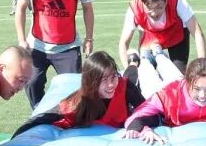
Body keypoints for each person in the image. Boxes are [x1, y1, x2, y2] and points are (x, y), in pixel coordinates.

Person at [14, 0, 94, 108]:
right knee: (32, 83)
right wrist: (21, 40)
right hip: (38, 45)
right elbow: (21, 8)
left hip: (68, 46)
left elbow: (88, 8)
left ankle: (67, 118)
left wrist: (89, 39)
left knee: (74, 90)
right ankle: (40, 113)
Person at [13, 51, 144, 136]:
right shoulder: (79, 102)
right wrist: (17, 136)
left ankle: (133, 62)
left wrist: (136, 125)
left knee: (130, 77)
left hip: (128, 105)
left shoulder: (123, 85)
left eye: (113, 76)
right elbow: (43, 117)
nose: (111, 84)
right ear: (92, 82)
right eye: (104, 80)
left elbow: (147, 108)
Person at [123, 57, 206, 144]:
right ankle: (146, 58)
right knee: (150, 79)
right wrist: (144, 130)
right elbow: (134, 117)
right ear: (187, 84)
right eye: (197, 89)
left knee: (172, 72)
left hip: (180, 82)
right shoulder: (168, 96)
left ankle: (159, 55)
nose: (202, 95)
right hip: (163, 90)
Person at [118, 0, 206, 96]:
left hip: (176, 34)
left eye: (159, 7)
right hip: (149, 35)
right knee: (143, 79)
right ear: (143, 3)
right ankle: (143, 57)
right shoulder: (134, 8)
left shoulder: (177, 0)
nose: (154, 13)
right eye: (149, 8)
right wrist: (130, 72)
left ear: (166, 1)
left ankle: (159, 55)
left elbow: (197, 33)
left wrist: (202, 66)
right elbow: (123, 43)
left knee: (178, 81)